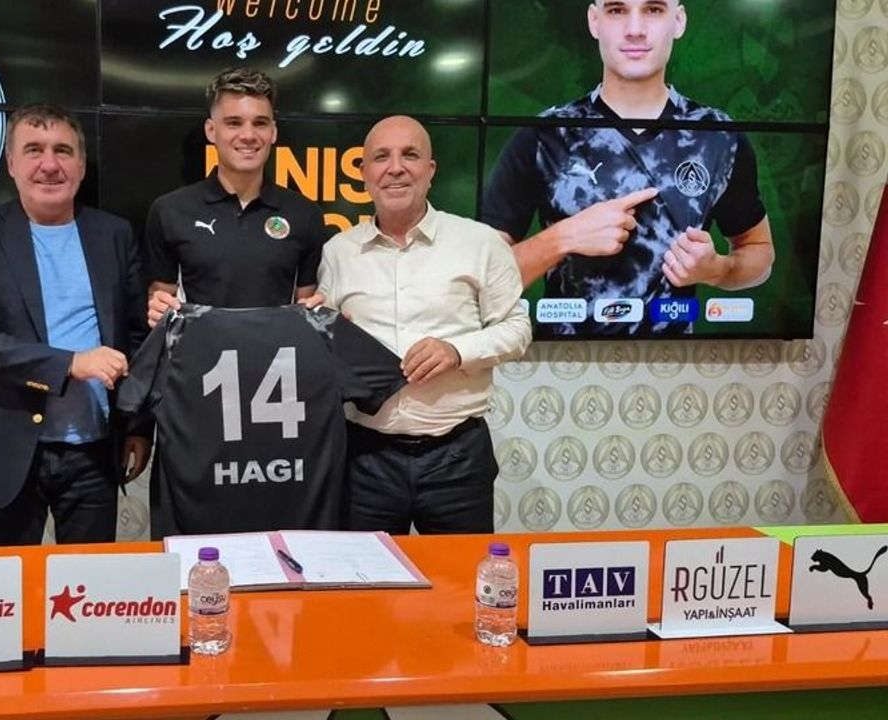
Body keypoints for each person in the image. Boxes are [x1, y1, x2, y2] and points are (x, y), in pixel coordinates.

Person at [482, 0, 774, 335]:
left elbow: (759, 252)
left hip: (680, 361)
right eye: (617, 10)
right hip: (562, 358)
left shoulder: (718, 136)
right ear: (594, 21)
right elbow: (483, 281)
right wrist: (562, 238)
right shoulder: (545, 135)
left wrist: (718, 269)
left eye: (653, 10)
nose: (635, 30)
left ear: (679, 21)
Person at [0, 104, 150, 546]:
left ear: (81, 165)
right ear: (11, 164)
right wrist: (70, 363)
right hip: (8, 449)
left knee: (88, 582)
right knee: (7, 581)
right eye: (34, 150)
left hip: (95, 454)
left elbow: (137, 337)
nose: (50, 164)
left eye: (63, 151)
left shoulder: (114, 234)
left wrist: (138, 425)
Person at [318, 115, 532, 534]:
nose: (395, 168)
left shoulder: (480, 242)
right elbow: (321, 341)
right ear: (363, 173)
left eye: (410, 155)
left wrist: (457, 352)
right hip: (366, 458)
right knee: (365, 574)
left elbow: (517, 329)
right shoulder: (337, 252)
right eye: (381, 157)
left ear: (430, 170)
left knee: (461, 574)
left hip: (457, 457)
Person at [144, 67, 330, 324]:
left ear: (273, 132)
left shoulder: (305, 214)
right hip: (199, 350)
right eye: (234, 123)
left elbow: (306, 309)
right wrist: (157, 311)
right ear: (211, 131)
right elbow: (161, 301)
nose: (248, 136)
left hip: (278, 350)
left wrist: (320, 311)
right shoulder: (169, 210)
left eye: (260, 123)